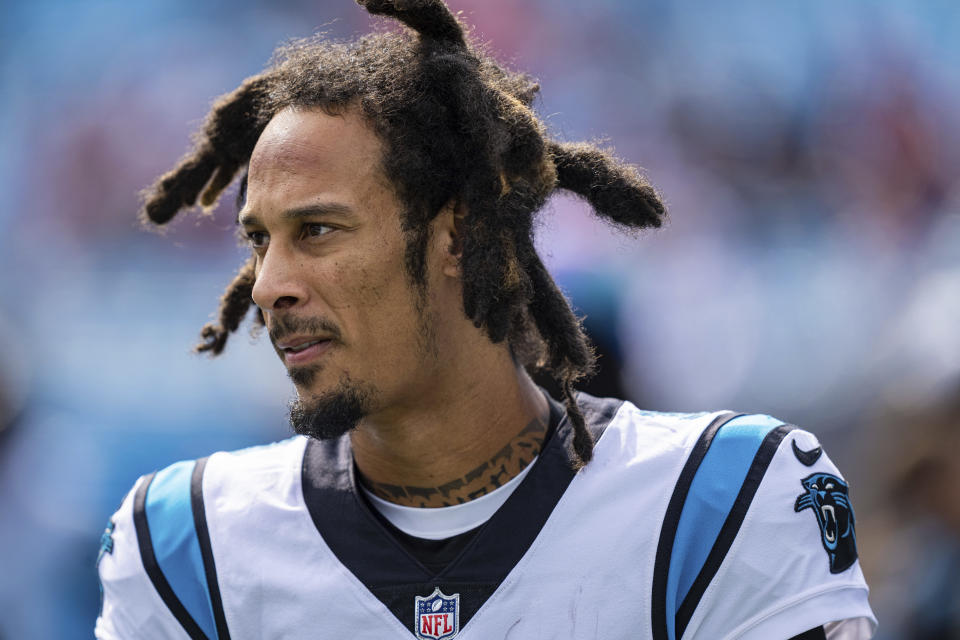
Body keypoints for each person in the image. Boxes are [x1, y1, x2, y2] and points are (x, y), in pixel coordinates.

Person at [95, 1, 877, 638]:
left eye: (319, 231)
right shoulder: (184, 546)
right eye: (259, 242)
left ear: (457, 235)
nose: (268, 286)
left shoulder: (726, 499)